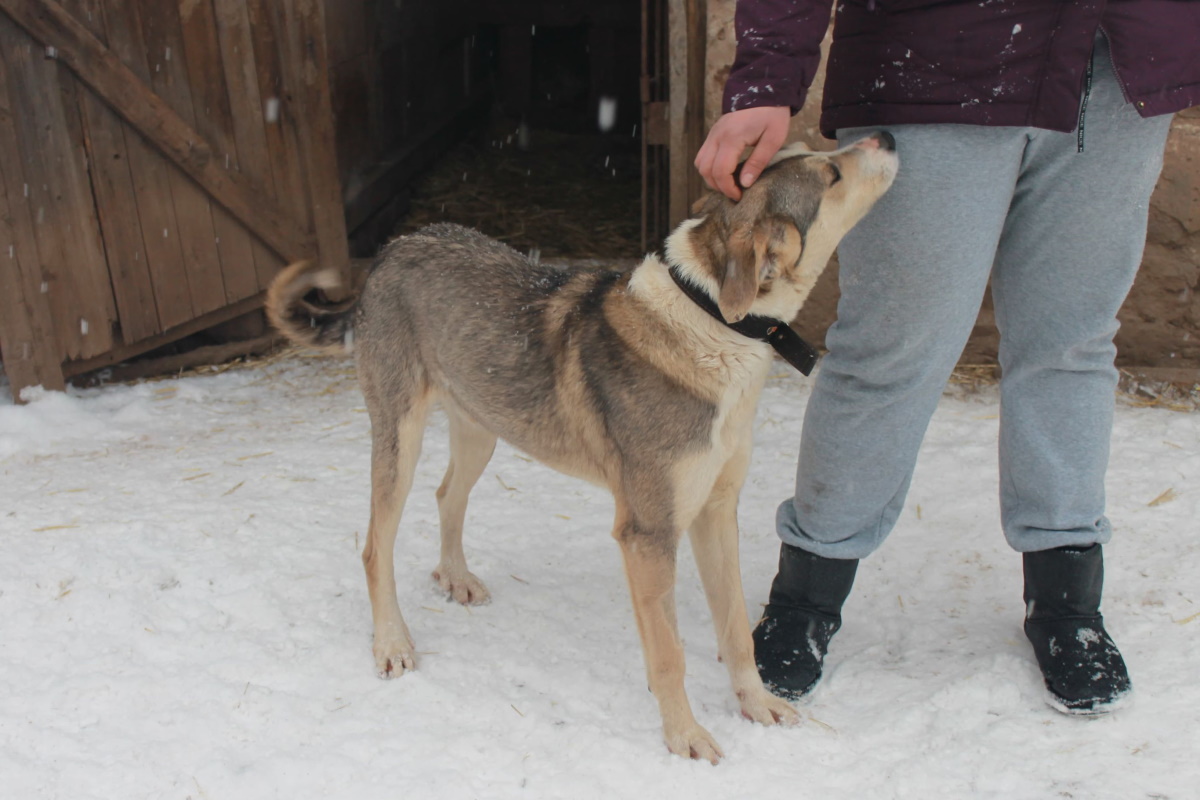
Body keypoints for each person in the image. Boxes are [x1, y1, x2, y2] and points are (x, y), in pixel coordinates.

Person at [695, 1, 1200, 715]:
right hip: (937, 54)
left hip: (1120, 64)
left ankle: (1067, 602)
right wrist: (769, 77)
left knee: (1073, 341)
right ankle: (808, 595)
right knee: (890, 346)